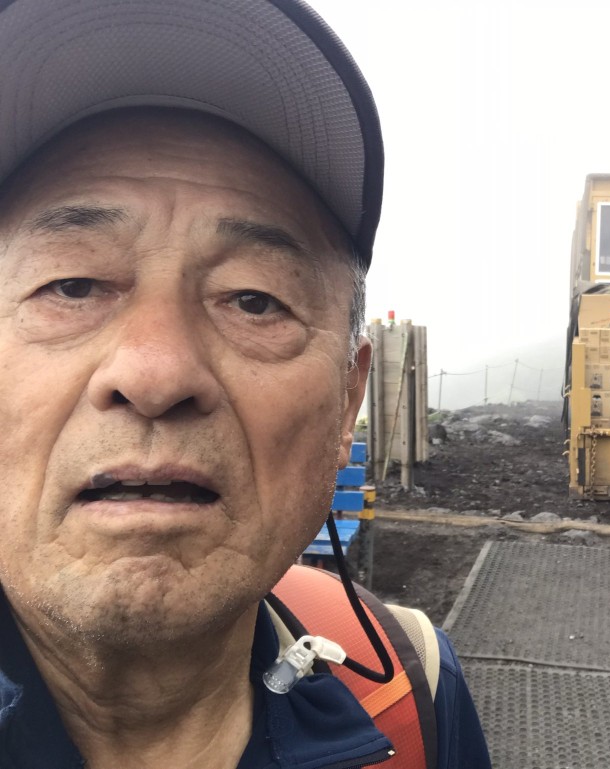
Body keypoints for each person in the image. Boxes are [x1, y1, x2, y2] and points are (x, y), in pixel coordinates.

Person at [0, 2, 490, 768]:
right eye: (72, 284)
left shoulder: (411, 690)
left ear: (346, 403)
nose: (155, 373)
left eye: (255, 300)